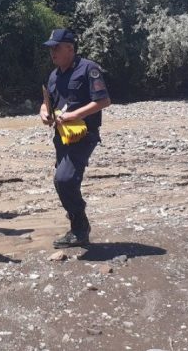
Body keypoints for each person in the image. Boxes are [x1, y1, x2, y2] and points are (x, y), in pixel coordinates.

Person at [39, 29, 111, 248]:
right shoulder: (54, 75)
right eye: (51, 48)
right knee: (63, 182)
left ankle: (80, 228)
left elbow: (103, 100)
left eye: (56, 48)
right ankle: (79, 226)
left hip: (84, 135)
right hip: (62, 137)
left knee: (64, 179)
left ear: (70, 48)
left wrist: (74, 115)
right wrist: (43, 111)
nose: (52, 52)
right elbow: (47, 102)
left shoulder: (89, 69)